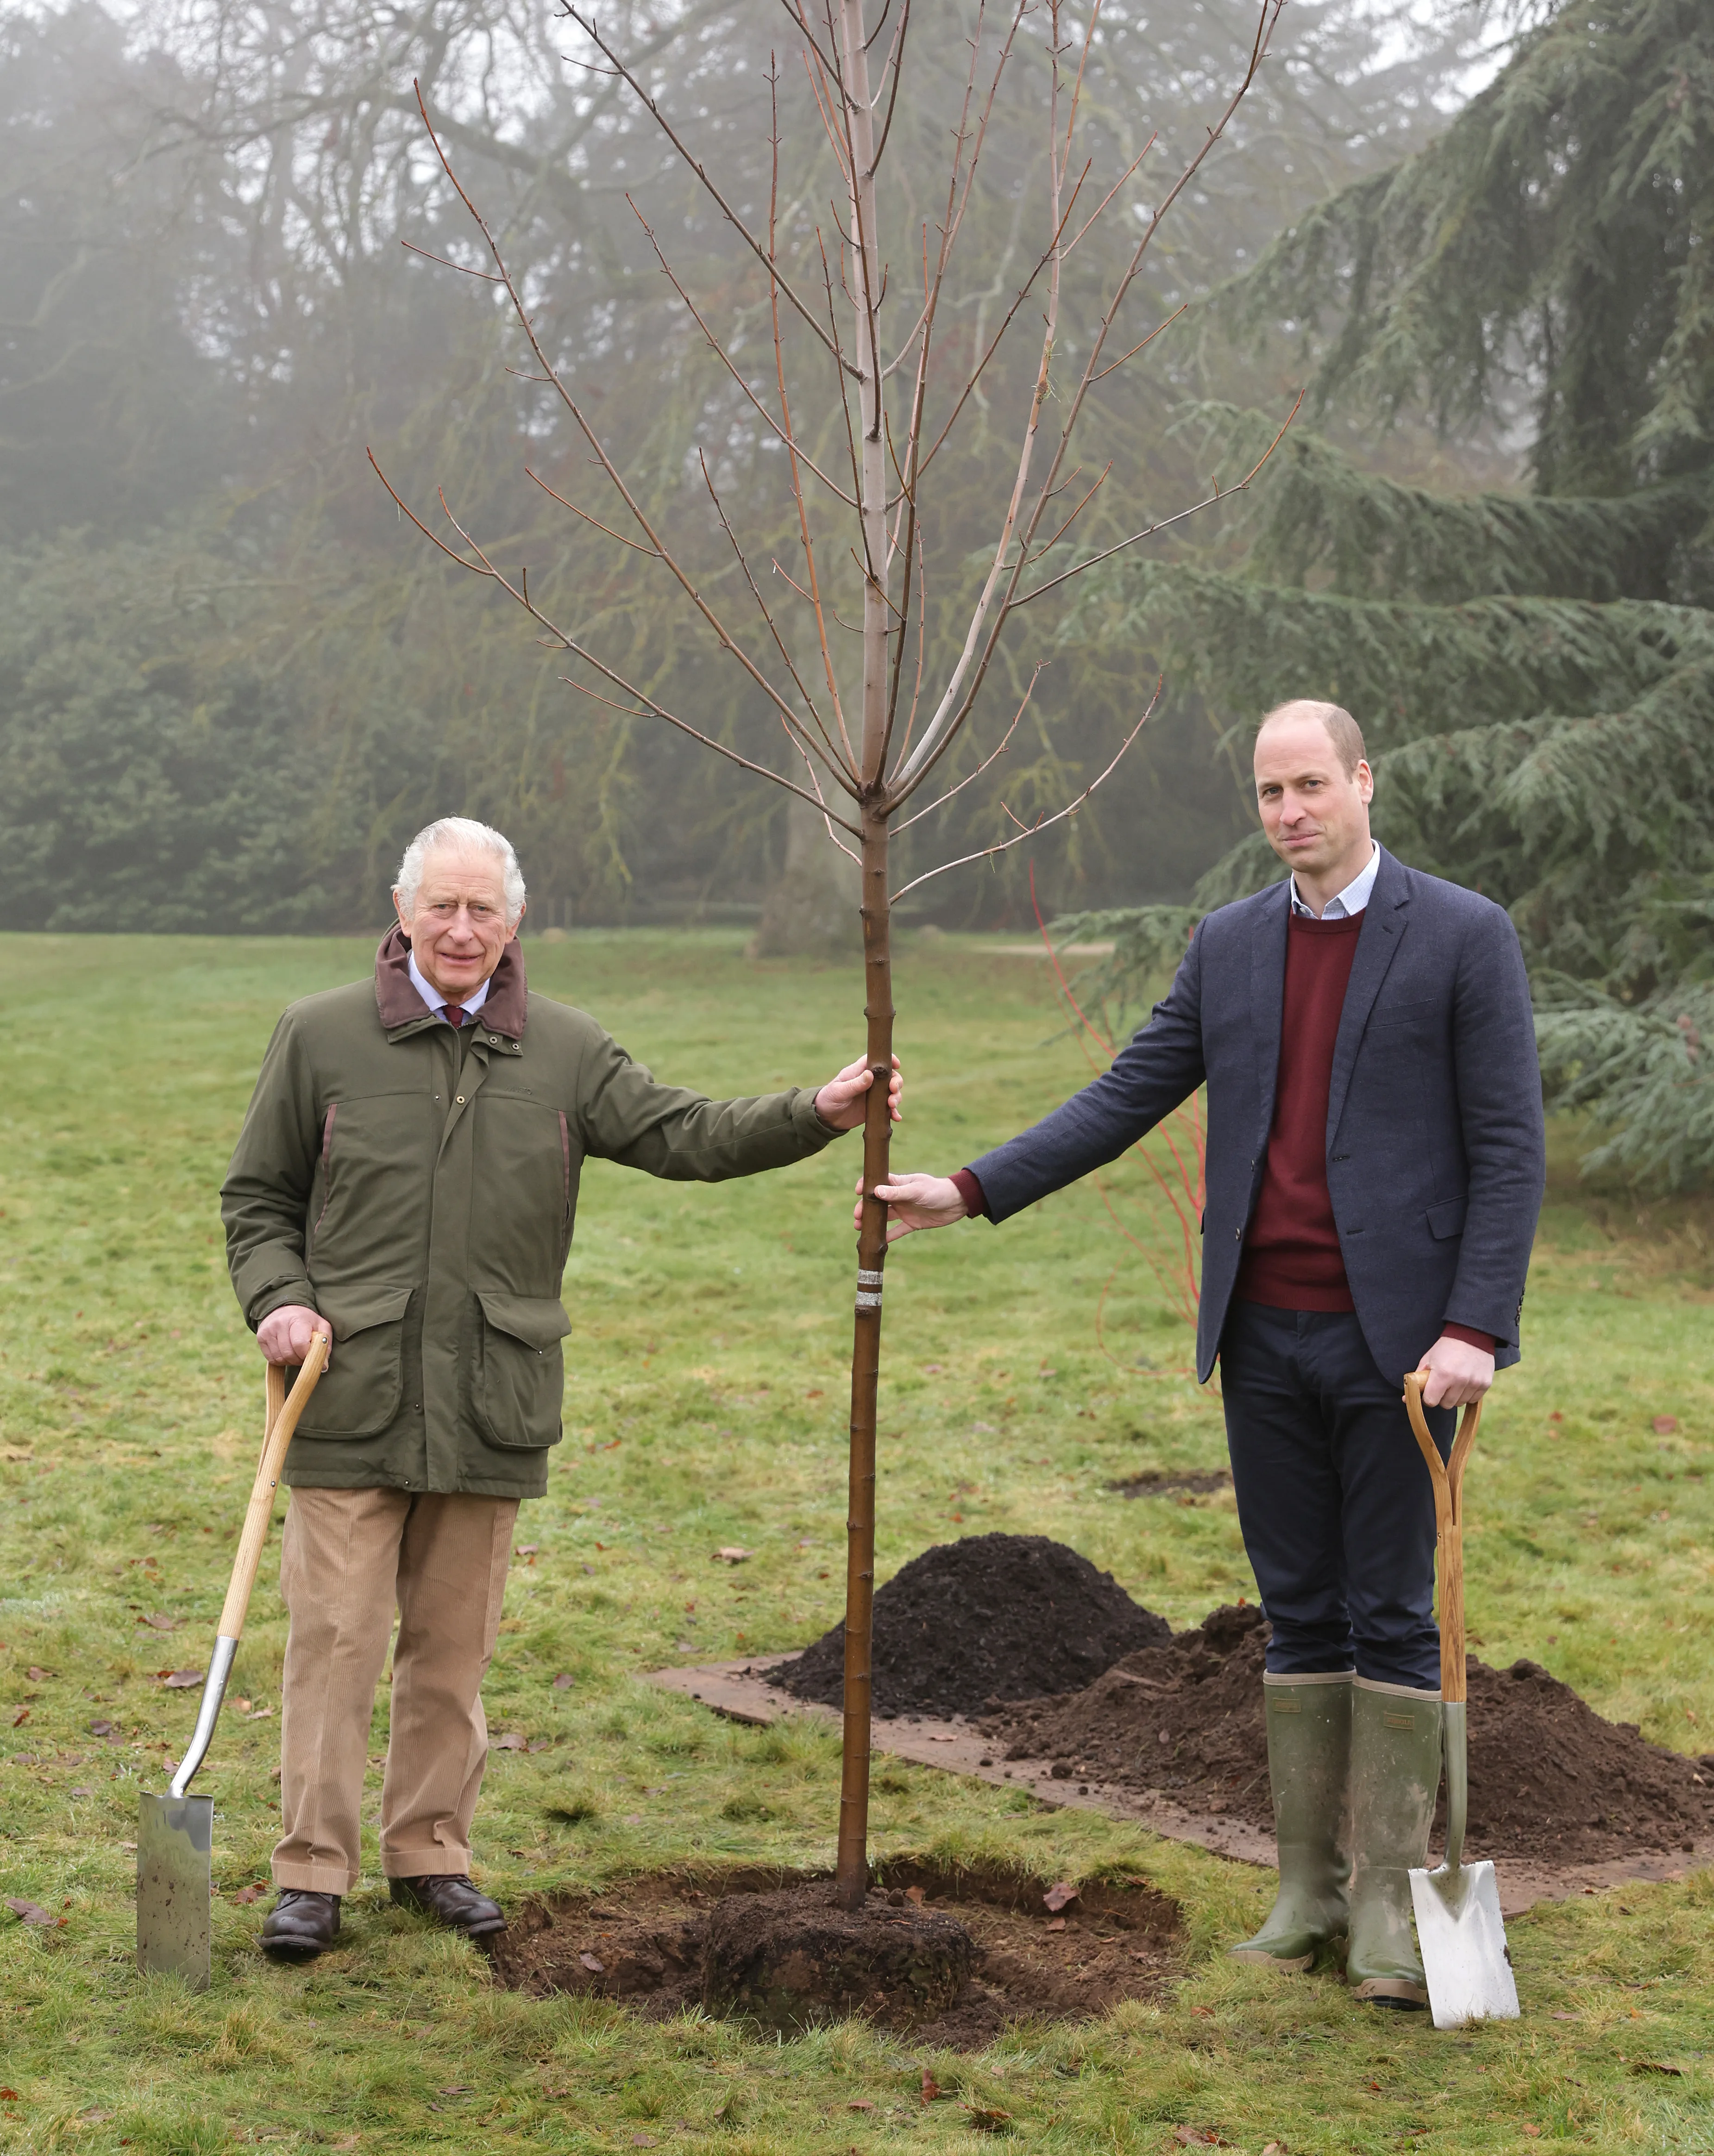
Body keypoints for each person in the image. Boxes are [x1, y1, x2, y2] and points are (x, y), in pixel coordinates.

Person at [870, 701, 1544, 2007]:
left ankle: (1400, 1909)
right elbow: (1128, 1094)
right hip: (1259, 1333)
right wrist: (971, 1186)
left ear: (1362, 780)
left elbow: (1507, 1148)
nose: (1288, 810)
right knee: (1294, 1609)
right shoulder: (1230, 946)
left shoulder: (1463, 935)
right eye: (1266, 792)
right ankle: (1306, 1893)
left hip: (1405, 1350)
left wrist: (1474, 1328)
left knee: (1392, 1609)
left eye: (1308, 784)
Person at [223, 815, 898, 1963]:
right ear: (401, 912)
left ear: (516, 921)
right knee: (334, 1640)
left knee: (452, 1647)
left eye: (483, 908)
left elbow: (683, 1132)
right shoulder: (320, 1038)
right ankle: (311, 1876)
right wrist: (278, 1298)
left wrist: (814, 1114)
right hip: (348, 1397)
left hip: (494, 1396)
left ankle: (429, 1854)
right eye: (440, 905)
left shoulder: (566, 1050)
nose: (460, 927)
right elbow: (257, 1200)